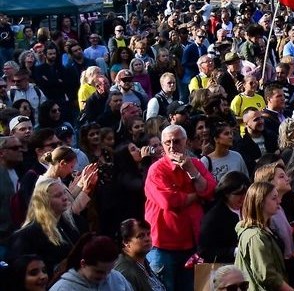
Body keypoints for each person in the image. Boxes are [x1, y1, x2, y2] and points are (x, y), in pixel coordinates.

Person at [144, 124, 216, 291]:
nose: (171, 146)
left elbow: (211, 191)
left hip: (192, 245)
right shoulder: (156, 170)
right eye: (167, 142)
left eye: (176, 141)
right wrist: (197, 195)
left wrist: (192, 171)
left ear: (186, 143)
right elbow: (169, 202)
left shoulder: (197, 164)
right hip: (163, 247)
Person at [8, 177, 80, 273]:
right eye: (58, 195)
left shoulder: (73, 223)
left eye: (64, 193)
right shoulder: (28, 234)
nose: (65, 198)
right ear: (44, 202)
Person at [234, 181, 294, 291]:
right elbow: (267, 275)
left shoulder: (266, 229)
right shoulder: (255, 236)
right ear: (260, 202)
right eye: (274, 198)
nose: (279, 201)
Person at [48, 233, 133, 291]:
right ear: (83, 264)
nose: (106, 276)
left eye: (109, 271)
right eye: (99, 272)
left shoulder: (117, 278)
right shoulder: (62, 288)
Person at [114, 218, 168, 291]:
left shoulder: (143, 262)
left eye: (148, 234)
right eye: (141, 236)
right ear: (126, 242)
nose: (147, 239)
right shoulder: (126, 272)